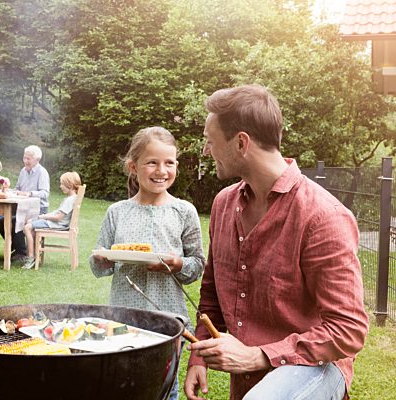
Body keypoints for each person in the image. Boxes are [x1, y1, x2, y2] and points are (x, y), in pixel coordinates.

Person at [184, 84, 369, 400]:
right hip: (253, 376)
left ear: (241, 143)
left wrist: (257, 356)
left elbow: (347, 329)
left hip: (318, 365)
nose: (205, 150)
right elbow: (212, 290)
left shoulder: (323, 216)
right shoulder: (223, 205)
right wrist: (200, 353)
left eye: (210, 141)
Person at [89, 127, 206, 400]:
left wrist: (178, 264)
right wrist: (102, 259)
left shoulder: (184, 211)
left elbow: (198, 264)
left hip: (169, 321)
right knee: (122, 387)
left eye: (169, 163)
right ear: (133, 166)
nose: (161, 170)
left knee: (163, 388)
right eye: (152, 162)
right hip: (122, 319)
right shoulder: (117, 212)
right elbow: (99, 266)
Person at [0, 145, 50, 262]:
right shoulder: (23, 171)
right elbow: (17, 188)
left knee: (15, 221)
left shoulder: (42, 172)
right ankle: (19, 249)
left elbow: (45, 193)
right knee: (0, 220)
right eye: (24, 158)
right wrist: (9, 191)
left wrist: (29, 193)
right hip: (22, 208)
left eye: (28, 159)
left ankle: (21, 252)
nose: (25, 161)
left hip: (39, 209)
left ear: (37, 159)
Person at [21, 171, 82, 270]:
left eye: (62, 184)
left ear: (69, 185)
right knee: (30, 225)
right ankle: (34, 255)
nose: (60, 186)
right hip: (59, 223)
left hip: (57, 224)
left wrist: (42, 217)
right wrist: (43, 215)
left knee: (27, 227)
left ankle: (31, 257)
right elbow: (58, 213)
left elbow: (58, 217)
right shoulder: (72, 198)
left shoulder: (70, 200)